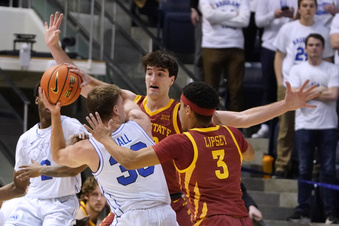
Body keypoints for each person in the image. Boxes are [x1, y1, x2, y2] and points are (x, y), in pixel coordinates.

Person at [85, 82, 255, 225]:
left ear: (187, 110)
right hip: (242, 217)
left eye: (180, 107)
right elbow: (249, 155)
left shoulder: (182, 142)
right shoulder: (233, 134)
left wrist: (105, 138)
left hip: (210, 218)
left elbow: (131, 160)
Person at [41, 84, 178, 226]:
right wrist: (87, 86)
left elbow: (57, 155)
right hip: (165, 215)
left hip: (131, 219)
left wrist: (55, 113)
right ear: (116, 109)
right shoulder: (140, 122)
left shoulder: (88, 148)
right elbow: (128, 96)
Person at [4, 84, 87, 226]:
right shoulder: (25, 139)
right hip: (32, 201)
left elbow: (75, 169)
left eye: (55, 98)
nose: (51, 102)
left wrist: (40, 170)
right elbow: (17, 187)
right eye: (47, 97)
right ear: (37, 100)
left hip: (61, 202)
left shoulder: (72, 127)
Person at [273, 0, 333, 178]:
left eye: (311, 6)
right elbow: (279, 55)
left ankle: (315, 166)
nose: (308, 9)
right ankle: (282, 165)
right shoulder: (288, 29)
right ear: (299, 8)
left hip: (314, 85)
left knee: (316, 125)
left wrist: (326, 84)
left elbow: (328, 59)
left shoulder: (323, 29)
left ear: (316, 8)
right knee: (285, 126)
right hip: (290, 85)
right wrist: (279, 81)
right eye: (304, 5)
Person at [287, 33, 339, 224]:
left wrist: (308, 93)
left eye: (317, 45)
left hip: (328, 126)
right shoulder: (297, 69)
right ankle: (303, 210)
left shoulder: (332, 68)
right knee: (304, 169)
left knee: (328, 170)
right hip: (304, 125)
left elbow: (333, 95)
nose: (314, 48)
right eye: (311, 45)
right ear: (306, 47)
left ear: (323, 47)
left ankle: (331, 213)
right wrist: (321, 90)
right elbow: (294, 95)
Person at [252, 0, 297, 139]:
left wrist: (293, 16)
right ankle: (264, 125)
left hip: (291, 48)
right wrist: (274, 15)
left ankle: (287, 125)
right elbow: (258, 22)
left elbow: (302, 18)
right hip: (270, 45)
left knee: (291, 86)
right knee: (269, 87)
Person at [199, 0, 250, 111]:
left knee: (236, 91)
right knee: (210, 90)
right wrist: (234, 14)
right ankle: (209, 125)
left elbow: (245, 21)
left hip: (236, 45)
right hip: (212, 45)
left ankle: (235, 126)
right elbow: (210, 16)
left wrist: (219, 18)